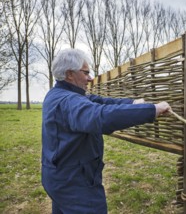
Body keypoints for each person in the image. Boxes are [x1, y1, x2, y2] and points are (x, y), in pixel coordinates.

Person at [41, 48, 171, 214]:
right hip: (75, 184)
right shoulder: (68, 101)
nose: (90, 78)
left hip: (58, 176)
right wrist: (152, 110)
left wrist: (132, 103)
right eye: (86, 72)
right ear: (70, 74)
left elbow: (100, 101)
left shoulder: (59, 94)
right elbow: (99, 116)